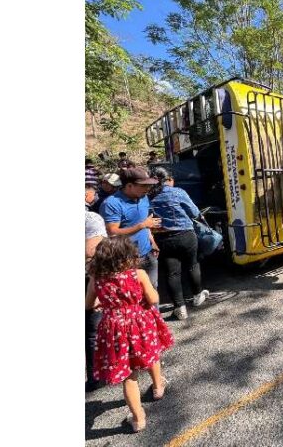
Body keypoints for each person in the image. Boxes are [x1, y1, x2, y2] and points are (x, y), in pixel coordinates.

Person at [85, 236, 174, 432]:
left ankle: (138, 418)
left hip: (113, 328)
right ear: (127, 255)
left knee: (129, 376)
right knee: (152, 353)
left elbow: (88, 305)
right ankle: (158, 387)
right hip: (139, 323)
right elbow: (153, 298)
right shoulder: (138, 274)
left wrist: (105, 302)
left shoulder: (96, 279)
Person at [149, 167, 209, 320]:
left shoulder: (149, 196)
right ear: (169, 179)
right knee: (192, 265)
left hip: (163, 238)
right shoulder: (178, 192)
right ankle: (197, 296)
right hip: (185, 235)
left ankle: (180, 308)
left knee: (172, 273)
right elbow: (194, 212)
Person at [100, 167, 162, 290]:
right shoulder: (112, 204)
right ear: (129, 186)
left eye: (149, 185)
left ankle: (153, 310)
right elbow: (112, 232)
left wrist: (152, 241)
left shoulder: (144, 197)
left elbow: (146, 222)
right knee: (133, 292)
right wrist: (142, 225)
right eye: (143, 185)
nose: (148, 189)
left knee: (152, 289)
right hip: (127, 257)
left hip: (147, 252)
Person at [85, 196, 107, 392]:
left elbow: (92, 252)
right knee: (92, 330)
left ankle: (95, 376)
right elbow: (93, 253)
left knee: (92, 329)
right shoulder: (92, 219)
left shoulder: (91, 219)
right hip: (89, 278)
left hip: (89, 279)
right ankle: (97, 374)